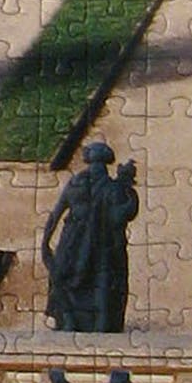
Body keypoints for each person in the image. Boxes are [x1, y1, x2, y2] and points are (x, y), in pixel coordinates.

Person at [42, 142, 139, 334]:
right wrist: (127, 186)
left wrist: (45, 241)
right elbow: (124, 214)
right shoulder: (113, 189)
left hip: (72, 244)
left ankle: (68, 320)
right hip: (103, 246)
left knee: (61, 279)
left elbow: (55, 214)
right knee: (103, 285)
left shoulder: (75, 184)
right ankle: (102, 326)